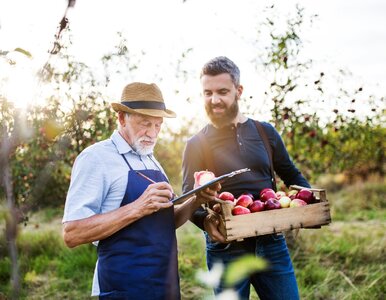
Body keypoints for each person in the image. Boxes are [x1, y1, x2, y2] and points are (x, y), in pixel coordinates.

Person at [62, 82, 219, 300]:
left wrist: (195, 200)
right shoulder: (96, 158)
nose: (152, 133)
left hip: (165, 285)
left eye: (158, 125)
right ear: (121, 118)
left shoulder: (150, 159)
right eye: (145, 123)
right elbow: (72, 233)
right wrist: (138, 207)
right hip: (125, 288)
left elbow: (165, 221)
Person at [182, 56, 311, 300]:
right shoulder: (197, 144)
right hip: (226, 246)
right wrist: (205, 221)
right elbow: (189, 192)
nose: (214, 100)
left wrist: (308, 203)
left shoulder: (265, 132)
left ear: (238, 91)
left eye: (222, 91)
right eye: (207, 93)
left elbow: (291, 174)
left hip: (271, 242)